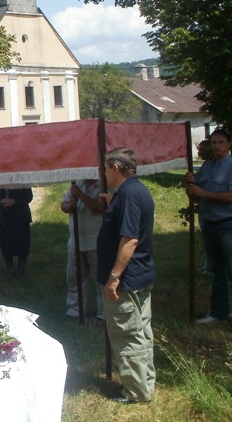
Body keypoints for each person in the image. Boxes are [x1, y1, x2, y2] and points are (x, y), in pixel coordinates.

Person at [97, 147, 155, 403]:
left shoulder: (130, 194)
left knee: (127, 335)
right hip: (140, 276)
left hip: (127, 281)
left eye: (106, 168)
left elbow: (130, 239)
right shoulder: (134, 191)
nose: (105, 173)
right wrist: (113, 205)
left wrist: (114, 276)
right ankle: (144, 384)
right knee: (141, 333)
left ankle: (135, 392)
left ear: (116, 168)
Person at [185, 128, 232, 338]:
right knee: (216, 272)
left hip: (229, 225)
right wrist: (192, 186)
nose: (217, 146)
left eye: (221, 142)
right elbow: (198, 197)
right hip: (210, 224)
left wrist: (202, 192)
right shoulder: (206, 167)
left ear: (229, 144)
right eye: (214, 143)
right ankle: (219, 313)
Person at [61, 180, 104, 321]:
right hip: (75, 242)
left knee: (102, 281)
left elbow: (101, 208)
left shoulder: (104, 185)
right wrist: (69, 205)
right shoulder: (77, 184)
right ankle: (75, 311)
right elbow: (64, 205)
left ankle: (103, 314)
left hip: (97, 242)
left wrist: (81, 195)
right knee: (74, 278)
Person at [0, 187, 33, 277]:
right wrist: (1, 202)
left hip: (21, 217)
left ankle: (21, 270)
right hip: (3, 219)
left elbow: (29, 197)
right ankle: (10, 269)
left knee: (23, 244)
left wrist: (14, 201)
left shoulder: (22, 180)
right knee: (5, 244)